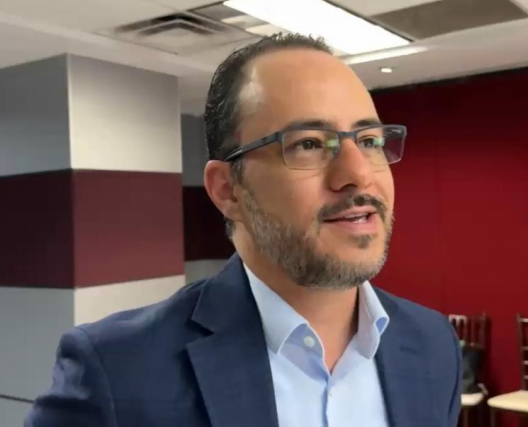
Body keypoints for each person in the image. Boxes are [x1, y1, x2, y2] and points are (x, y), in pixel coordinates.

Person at [25, 33, 462, 427]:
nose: (358, 174)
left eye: (368, 141)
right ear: (227, 189)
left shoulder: (433, 344)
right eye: (309, 144)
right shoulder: (118, 372)